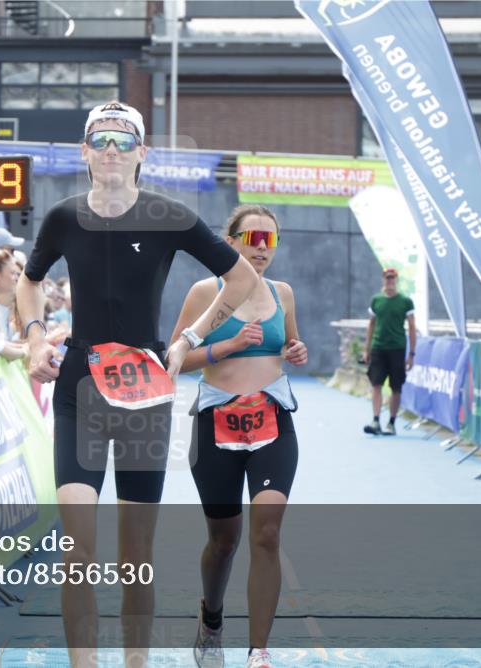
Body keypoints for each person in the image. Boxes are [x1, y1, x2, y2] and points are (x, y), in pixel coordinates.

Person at [17, 101, 259, 668]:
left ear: (142, 153)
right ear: (83, 151)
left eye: (124, 141)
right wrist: (33, 339)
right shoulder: (62, 218)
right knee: (76, 551)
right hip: (80, 387)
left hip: (146, 396)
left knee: (134, 555)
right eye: (100, 139)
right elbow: (28, 285)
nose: (110, 150)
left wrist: (188, 338)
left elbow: (241, 279)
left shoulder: (168, 215)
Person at [171, 205, 308, 668]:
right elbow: (175, 357)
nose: (261, 248)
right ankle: (211, 618)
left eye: (270, 239)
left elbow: (289, 344)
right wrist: (227, 345)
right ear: (229, 241)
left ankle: (259, 652)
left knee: (266, 532)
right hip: (216, 422)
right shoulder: (204, 293)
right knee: (224, 540)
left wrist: (296, 349)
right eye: (252, 238)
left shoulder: (282, 293)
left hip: (272, 419)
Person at [361, 267, 416, 435]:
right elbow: (371, 324)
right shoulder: (376, 300)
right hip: (378, 347)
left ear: (396, 280)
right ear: (383, 279)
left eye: (392, 278)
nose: (389, 281)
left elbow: (412, 327)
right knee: (376, 384)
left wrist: (411, 354)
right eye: (387, 278)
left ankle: (391, 423)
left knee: (396, 387)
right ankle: (376, 420)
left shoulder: (405, 301)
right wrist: (367, 349)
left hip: (397, 348)